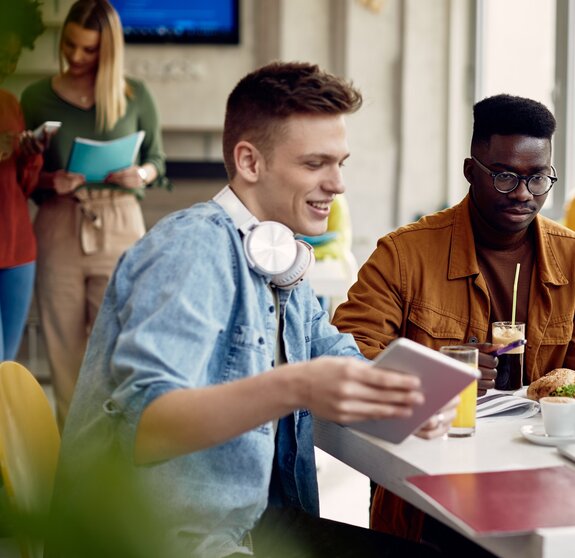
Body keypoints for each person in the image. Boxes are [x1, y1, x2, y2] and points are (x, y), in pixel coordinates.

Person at [52, 61, 457, 558]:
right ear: (249, 162)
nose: (337, 184)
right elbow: (146, 427)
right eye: (315, 164)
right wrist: (298, 386)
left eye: (340, 163)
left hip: (251, 528)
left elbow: (337, 354)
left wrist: (402, 402)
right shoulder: (191, 250)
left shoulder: (277, 256)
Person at [332, 94, 575, 553]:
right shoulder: (405, 253)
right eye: (505, 176)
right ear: (470, 170)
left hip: (542, 471)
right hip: (433, 491)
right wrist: (437, 370)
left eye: (538, 177)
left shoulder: (571, 256)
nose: (523, 193)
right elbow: (346, 349)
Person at [20, 0, 167, 425]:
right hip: (59, 222)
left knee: (119, 350)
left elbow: (158, 161)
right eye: (70, 46)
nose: (77, 57)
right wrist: (52, 181)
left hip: (120, 222)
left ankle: (113, 461)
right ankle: (71, 462)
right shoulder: (36, 97)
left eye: (89, 50)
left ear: (109, 50)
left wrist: (140, 172)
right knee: (63, 352)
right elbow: (24, 179)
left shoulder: (135, 94)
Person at [0, 0, 49, 361]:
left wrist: (31, 153)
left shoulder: (9, 103)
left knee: (7, 370)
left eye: (14, 57)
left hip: (17, 251)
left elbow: (24, 188)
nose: (7, 65)